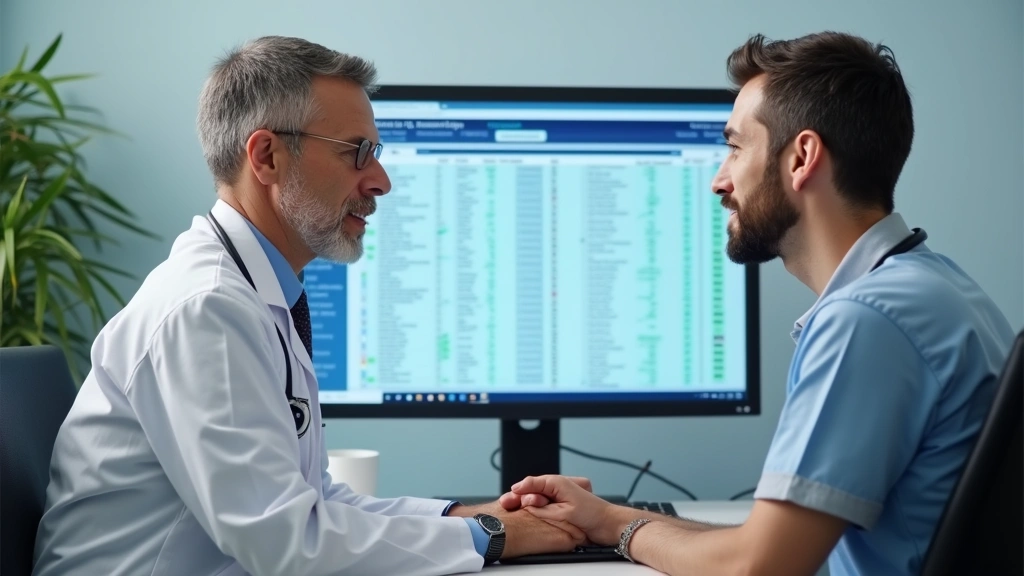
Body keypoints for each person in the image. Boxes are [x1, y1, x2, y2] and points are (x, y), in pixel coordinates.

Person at [31, 36, 584, 576]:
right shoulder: (206, 310)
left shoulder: (256, 293)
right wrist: (496, 539)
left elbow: (314, 504)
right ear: (266, 156)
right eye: (357, 153)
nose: (382, 181)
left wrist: (477, 518)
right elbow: (288, 544)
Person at [499, 31, 1017, 576]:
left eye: (734, 147)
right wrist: (608, 520)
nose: (719, 181)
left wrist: (624, 536)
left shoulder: (867, 320)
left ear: (802, 157)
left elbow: (759, 567)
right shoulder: (932, 287)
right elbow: (772, 546)